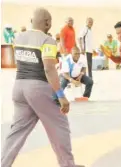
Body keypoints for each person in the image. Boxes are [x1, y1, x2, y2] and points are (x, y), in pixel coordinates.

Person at [1, 8, 84, 167]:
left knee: (16, 132)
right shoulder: (48, 41)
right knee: (59, 126)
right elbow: (48, 68)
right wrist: (60, 94)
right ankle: (68, 165)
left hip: (19, 87)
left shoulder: (18, 37)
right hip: (38, 87)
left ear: (31, 21)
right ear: (48, 23)